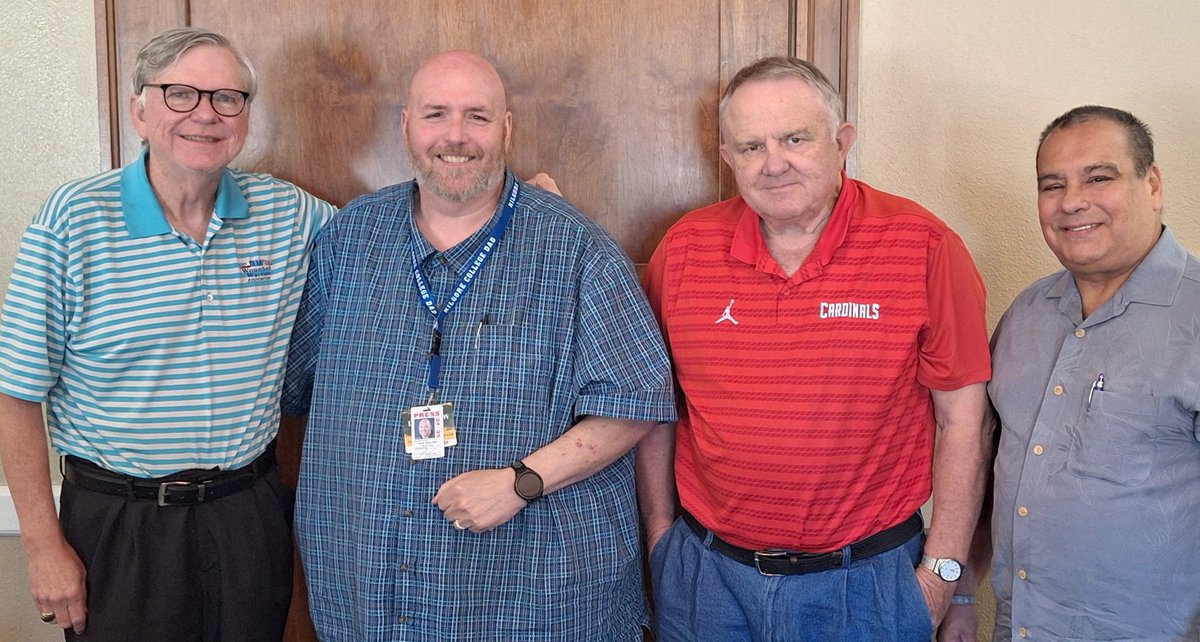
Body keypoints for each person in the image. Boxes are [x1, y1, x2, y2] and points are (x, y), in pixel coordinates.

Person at [281, 50, 675, 641]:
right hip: (371, 587)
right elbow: (291, 383)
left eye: (478, 116)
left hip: (534, 593)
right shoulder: (349, 238)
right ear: (406, 126)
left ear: (506, 129)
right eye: (436, 114)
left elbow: (638, 401)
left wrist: (521, 481)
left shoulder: (575, 248)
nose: (456, 136)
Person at [638, 56, 993, 641]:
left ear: (842, 141)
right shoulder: (683, 250)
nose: (773, 163)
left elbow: (964, 422)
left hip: (868, 585)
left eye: (795, 139)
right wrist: (659, 537)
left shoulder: (923, 246)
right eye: (751, 147)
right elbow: (654, 408)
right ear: (727, 159)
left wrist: (943, 575)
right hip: (707, 579)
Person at [0, 27, 337, 640]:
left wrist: (503, 204)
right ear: (140, 111)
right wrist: (43, 547)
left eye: (226, 98)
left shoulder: (289, 214)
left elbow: (390, 239)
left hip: (247, 515)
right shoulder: (74, 219)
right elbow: (16, 395)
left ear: (245, 117)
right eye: (180, 94)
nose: (205, 115)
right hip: (119, 523)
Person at [988, 106, 1200, 640]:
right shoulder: (1025, 314)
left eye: (1099, 178)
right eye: (1052, 185)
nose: (1071, 202)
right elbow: (993, 467)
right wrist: (961, 588)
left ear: (1152, 184)